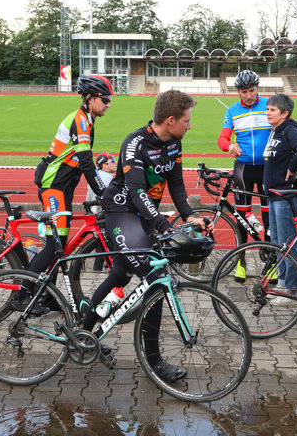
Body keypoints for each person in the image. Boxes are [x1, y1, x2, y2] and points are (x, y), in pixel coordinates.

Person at [80, 89, 211, 383]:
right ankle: (154, 361)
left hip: (145, 215)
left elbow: (176, 185)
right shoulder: (135, 143)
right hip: (122, 212)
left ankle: (82, 330)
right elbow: (137, 191)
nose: (189, 126)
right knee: (155, 280)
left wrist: (189, 215)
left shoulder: (174, 145)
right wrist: (163, 225)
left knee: (120, 274)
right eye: (186, 121)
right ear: (171, 119)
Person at [12, 75, 113, 313]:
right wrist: (102, 192)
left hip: (62, 187)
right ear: (90, 99)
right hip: (53, 186)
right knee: (53, 245)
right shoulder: (79, 121)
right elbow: (88, 164)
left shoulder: (87, 120)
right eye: (105, 99)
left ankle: (47, 298)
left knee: (60, 246)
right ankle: (20, 295)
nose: (109, 104)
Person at [218, 69, 271, 282]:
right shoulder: (232, 111)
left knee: (269, 219)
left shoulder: (269, 104)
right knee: (242, 217)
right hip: (243, 170)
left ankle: (271, 263)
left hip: (268, 168)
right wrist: (229, 145)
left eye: (251, 90)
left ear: (257, 88)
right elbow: (222, 139)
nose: (248, 95)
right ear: (238, 91)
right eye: (244, 91)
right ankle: (241, 263)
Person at [261, 94, 297, 305]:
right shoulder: (276, 131)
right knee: (277, 242)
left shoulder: (290, 129)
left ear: (285, 113)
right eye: (268, 109)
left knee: (287, 243)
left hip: (287, 196)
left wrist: (291, 168)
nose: (268, 113)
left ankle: (293, 289)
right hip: (274, 195)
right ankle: (282, 283)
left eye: (272, 110)